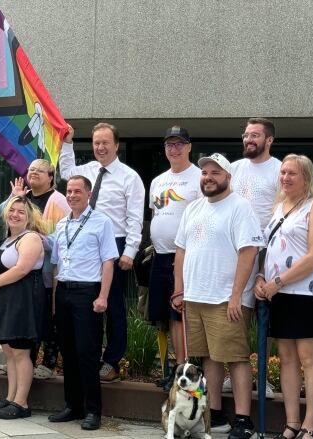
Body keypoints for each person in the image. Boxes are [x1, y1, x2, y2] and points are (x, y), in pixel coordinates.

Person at [172, 153, 262, 439]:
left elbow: (249, 251)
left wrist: (236, 295)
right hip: (196, 296)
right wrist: (179, 290)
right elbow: (181, 251)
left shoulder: (240, 207)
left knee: (235, 358)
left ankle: (243, 419)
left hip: (226, 299)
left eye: (215, 173)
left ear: (228, 176)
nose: (208, 177)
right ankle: (216, 414)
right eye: (205, 173)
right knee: (208, 358)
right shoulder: (194, 208)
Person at [59, 122, 145, 383]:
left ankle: (112, 361)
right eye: (96, 142)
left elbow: (134, 218)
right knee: (88, 303)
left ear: (116, 145)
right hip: (85, 242)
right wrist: (68, 142)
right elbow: (65, 172)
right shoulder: (86, 171)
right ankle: (87, 356)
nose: (100, 147)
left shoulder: (130, 177)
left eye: (106, 142)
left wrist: (130, 251)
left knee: (114, 306)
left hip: (116, 245)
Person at [254, 155, 313, 439]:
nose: (285, 178)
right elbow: (270, 248)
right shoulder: (278, 207)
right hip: (278, 293)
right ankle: (292, 423)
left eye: (293, 174)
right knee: (286, 357)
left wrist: (277, 281)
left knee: (309, 358)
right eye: (283, 172)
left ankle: (310, 426)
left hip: (307, 294)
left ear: (306, 178)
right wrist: (262, 277)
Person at [47, 175, 118, 431]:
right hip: (64, 292)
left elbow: (108, 262)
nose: (72, 195)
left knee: (87, 353)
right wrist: (56, 299)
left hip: (88, 293)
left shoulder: (102, 223)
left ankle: (92, 410)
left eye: (78, 191)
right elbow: (56, 265)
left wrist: (103, 297)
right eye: (69, 191)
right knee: (68, 352)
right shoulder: (62, 223)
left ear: (88, 194)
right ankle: (72, 405)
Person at [0, 159, 70, 380]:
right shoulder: (23, 196)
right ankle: (24, 362)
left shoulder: (58, 201)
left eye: (40, 170)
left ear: (51, 177)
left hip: (46, 272)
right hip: (19, 272)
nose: (34, 173)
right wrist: (14, 196)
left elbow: (64, 235)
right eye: (31, 170)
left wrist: (38, 239)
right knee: (28, 319)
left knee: (48, 317)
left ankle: (48, 363)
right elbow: (0, 217)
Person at [227, 117, 282, 399]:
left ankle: (263, 377)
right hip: (235, 249)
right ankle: (235, 371)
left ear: (269, 140)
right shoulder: (234, 169)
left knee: (264, 313)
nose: (249, 139)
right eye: (246, 135)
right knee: (238, 310)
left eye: (255, 135)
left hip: (266, 249)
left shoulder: (279, 170)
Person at [0, 196, 49, 419]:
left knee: (21, 351)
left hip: (24, 299)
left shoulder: (30, 238)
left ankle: (22, 402)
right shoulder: (6, 240)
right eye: (12, 210)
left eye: (21, 211)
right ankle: (11, 397)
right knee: (9, 351)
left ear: (29, 217)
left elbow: (21, 269)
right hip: (6, 299)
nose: (15, 215)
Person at [147, 126, 201, 385]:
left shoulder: (199, 177)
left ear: (189, 147)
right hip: (160, 256)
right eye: (169, 144)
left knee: (183, 314)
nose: (174, 149)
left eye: (179, 144)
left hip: (188, 257)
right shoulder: (158, 181)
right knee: (166, 317)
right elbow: (157, 215)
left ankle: (187, 370)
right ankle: (175, 370)